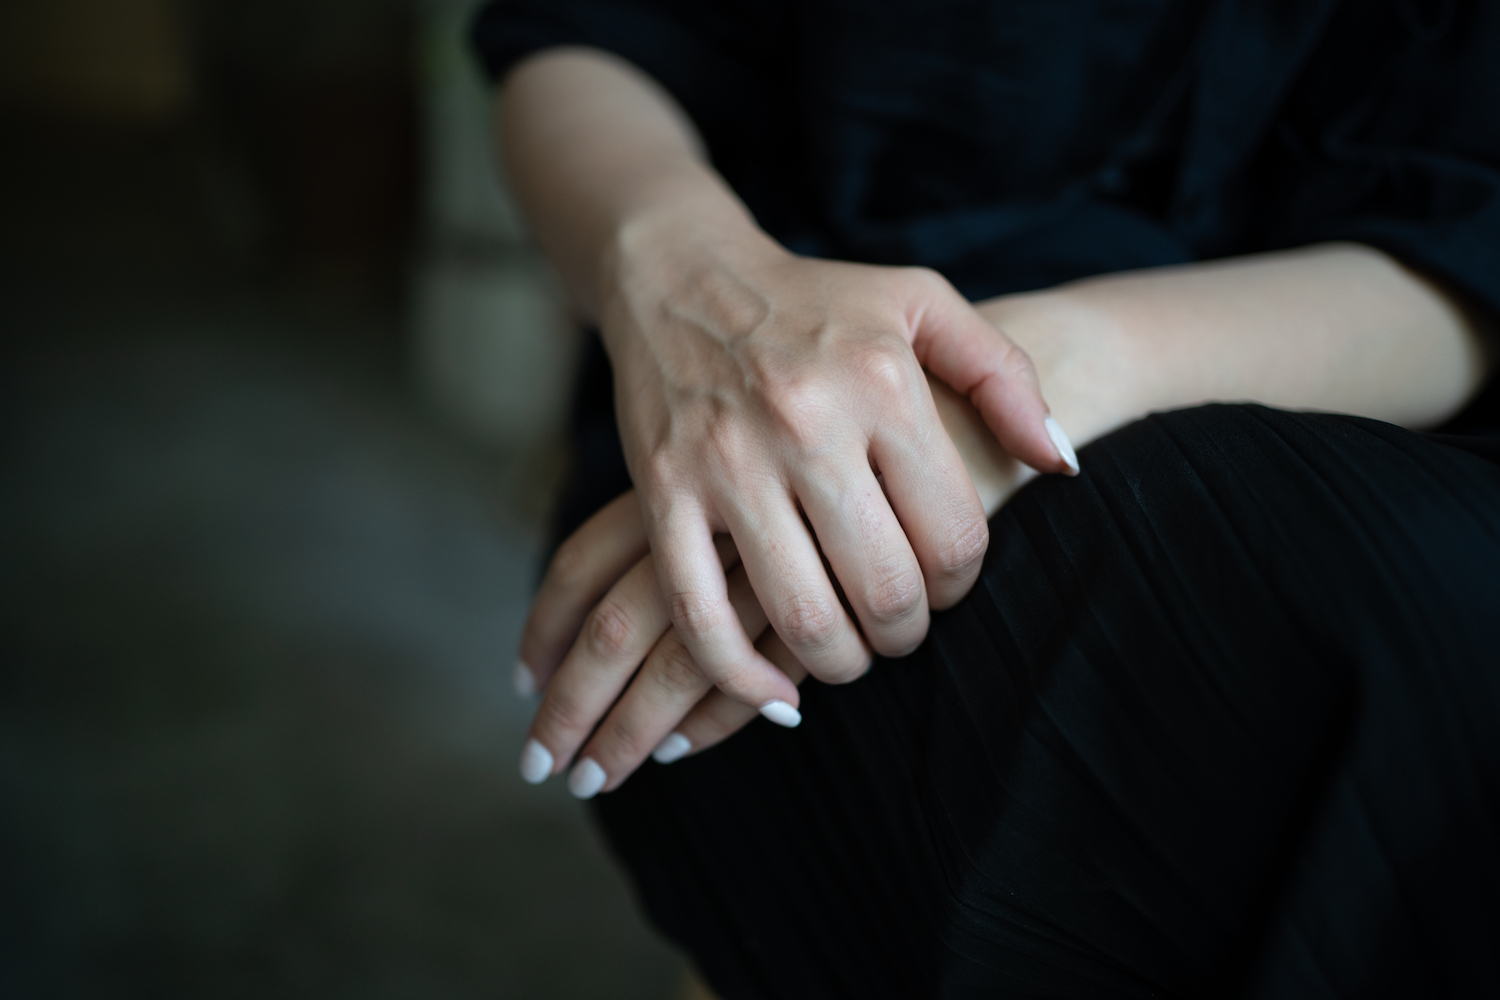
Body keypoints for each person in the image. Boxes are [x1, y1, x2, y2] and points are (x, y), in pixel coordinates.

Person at [475, 1, 1500, 995]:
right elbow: (585, 35)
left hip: (1327, 406)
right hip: (772, 387)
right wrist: (687, 280)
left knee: (1438, 614)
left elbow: (1467, 238)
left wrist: (1019, 380)